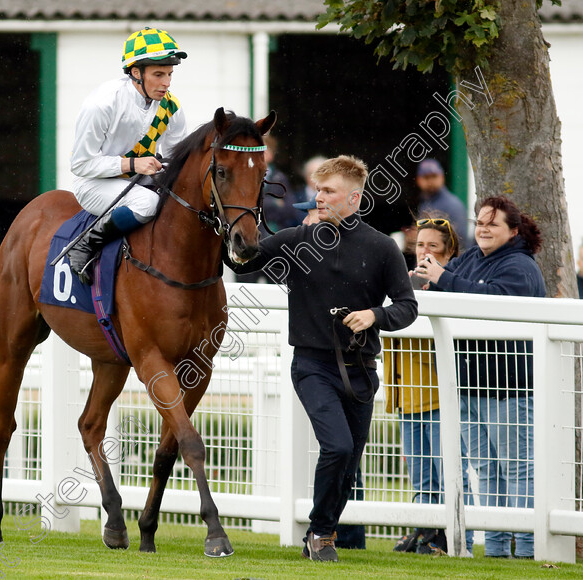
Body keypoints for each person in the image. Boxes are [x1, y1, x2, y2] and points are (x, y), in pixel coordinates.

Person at [228, 155, 418, 562]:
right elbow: (243, 259)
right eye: (317, 190)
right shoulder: (298, 238)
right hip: (312, 365)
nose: (319, 198)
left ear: (353, 197)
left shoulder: (382, 247)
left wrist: (375, 315)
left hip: (361, 369)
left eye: (328, 191)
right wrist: (239, 222)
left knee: (349, 461)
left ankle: (322, 530)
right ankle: (322, 534)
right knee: (338, 447)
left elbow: (407, 306)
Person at [414, 195, 545, 559]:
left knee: (518, 471)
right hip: (468, 385)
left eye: (493, 224)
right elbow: (451, 289)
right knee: (485, 471)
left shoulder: (520, 266)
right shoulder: (472, 258)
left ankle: (527, 549)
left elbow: (494, 301)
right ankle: (499, 549)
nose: (484, 229)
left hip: (508, 389)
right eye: (480, 223)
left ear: (513, 231)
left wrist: (443, 278)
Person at [66, 27, 188, 284]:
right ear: (135, 72)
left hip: (139, 179)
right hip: (94, 183)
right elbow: (80, 164)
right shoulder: (102, 104)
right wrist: (133, 163)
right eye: (158, 74)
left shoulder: (171, 105)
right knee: (148, 204)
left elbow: (178, 158)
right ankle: (85, 244)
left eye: (169, 74)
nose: (166, 83)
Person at [385, 215, 474, 555]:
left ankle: (455, 539)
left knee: (448, 470)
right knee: (422, 474)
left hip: (440, 392)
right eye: (420, 245)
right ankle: (425, 533)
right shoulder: (403, 280)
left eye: (433, 246)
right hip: (406, 390)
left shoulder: (454, 282)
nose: (424, 252)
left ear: (449, 252)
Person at [415, 159, 469, 245]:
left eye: (434, 176)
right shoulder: (425, 202)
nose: (430, 181)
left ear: (442, 177)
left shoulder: (452, 204)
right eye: (426, 177)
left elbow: (459, 241)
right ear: (418, 180)